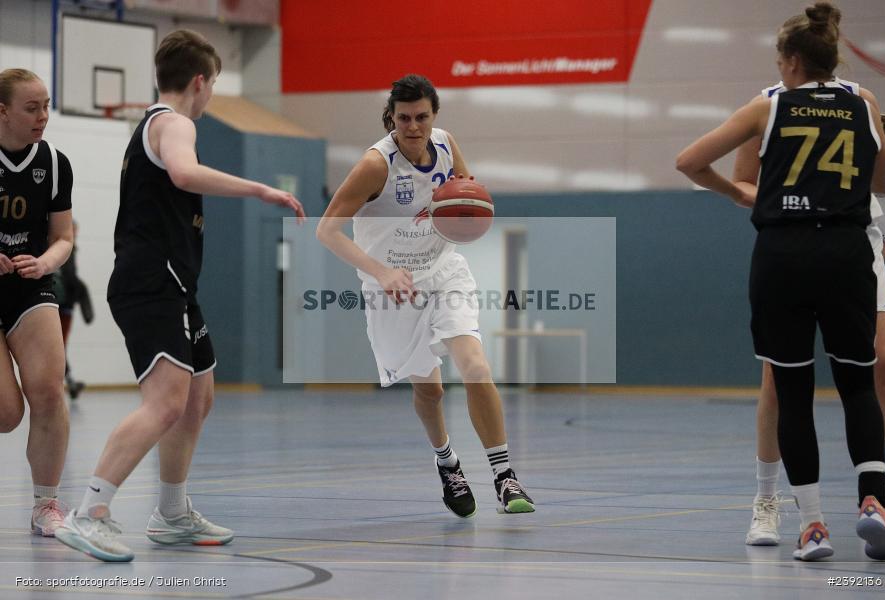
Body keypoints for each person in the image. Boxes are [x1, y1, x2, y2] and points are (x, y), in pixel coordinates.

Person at [54, 30, 305, 563]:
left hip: (175, 284)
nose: (210, 94)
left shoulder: (154, 126)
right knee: (167, 402)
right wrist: (260, 189)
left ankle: (171, 514)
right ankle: (88, 512)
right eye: (212, 84)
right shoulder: (174, 123)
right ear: (200, 82)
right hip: (152, 282)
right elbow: (184, 172)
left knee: (197, 400)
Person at [677, 2, 885, 561]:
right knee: (859, 383)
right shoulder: (862, 102)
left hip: (784, 255)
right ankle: (874, 500)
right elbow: (883, 181)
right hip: (847, 252)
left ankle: (814, 526)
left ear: (793, 61)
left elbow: (690, 161)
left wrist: (739, 193)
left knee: (792, 391)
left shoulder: (769, 105)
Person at [316, 74, 534, 517]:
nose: (413, 126)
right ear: (391, 118)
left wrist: (467, 213)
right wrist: (382, 272)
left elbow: (468, 194)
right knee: (430, 391)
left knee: (476, 368)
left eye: (421, 117)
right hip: (392, 286)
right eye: (404, 118)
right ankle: (447, 463)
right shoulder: (375, 165)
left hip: (443, 271)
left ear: (434, 115)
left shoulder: (446, 144)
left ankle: (504, 476)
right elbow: (326, 231)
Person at [734, 77, 885, 544]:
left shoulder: (859, 99)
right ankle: (767, 499)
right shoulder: (768, 103)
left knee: (884, 365)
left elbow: (882, 181)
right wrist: (774, 201)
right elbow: (732, 174)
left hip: (855, 248)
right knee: (778, 381)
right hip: (793, 247)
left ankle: (881, 493)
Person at [0, 68, 74, 537]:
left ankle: (46, 504)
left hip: (29, 287)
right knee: (7, 415)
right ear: (2, 112)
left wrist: (45, 262)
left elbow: (64, 237)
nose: (43, 116)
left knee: (48, 390)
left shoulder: (55, 164)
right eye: (32, 108)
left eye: (46, 106)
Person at [53, 220, 91, 399]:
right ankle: (68, 382)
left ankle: (70, 382)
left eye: (76, 230)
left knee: (59, 346)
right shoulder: (62, 248)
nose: (75, 234)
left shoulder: (70, 249)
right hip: (60, 305)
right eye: (73, 230)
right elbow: (69, 277)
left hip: (65, 305)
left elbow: (71, 278)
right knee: (58, 347)